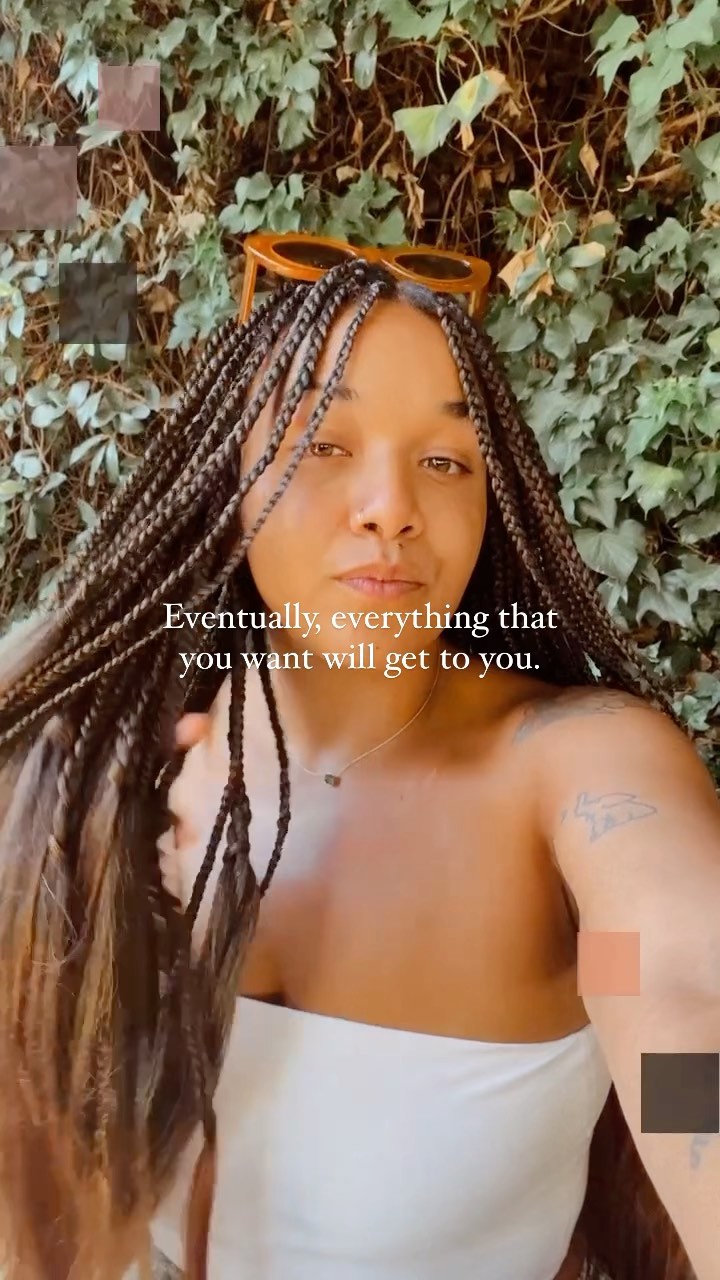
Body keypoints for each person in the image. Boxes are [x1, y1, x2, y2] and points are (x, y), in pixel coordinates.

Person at [0, 258, 718, 1280]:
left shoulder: (568, 777)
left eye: (448, 459)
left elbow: (681, 1004)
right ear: (228, 478)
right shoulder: (119, 771)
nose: (390, 507)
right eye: (323, 444)